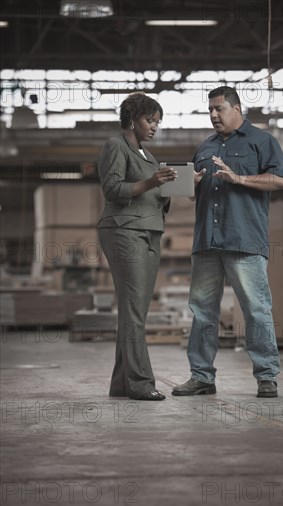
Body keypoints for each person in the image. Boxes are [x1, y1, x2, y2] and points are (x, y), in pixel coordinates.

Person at [172, 86, 283, 399]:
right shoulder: (205, 147)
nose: (213, 115)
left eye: (219, 109)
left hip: (244, 240)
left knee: (256, 311)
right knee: (202, 312)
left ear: (237, 109)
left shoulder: (262, 142)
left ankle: (267, 377)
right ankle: (201, 377)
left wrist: (239, 179)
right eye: (209, 110)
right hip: (207, 243)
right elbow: (191, 192)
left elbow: (280, 180)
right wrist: (189, 183)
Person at [97, 92, 177, 400]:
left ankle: (121, 384)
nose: (155, 126)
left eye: (158, 121)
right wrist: (153, 183)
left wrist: (173, 186)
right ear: (132, 119)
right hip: (123, 231)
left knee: (135, 312)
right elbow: (113, 189)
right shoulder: (115, 146)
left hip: (149, 231)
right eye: (150, 120)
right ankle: (142, 384)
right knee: (133, 310)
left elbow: (154, 196)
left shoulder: (149, 156)